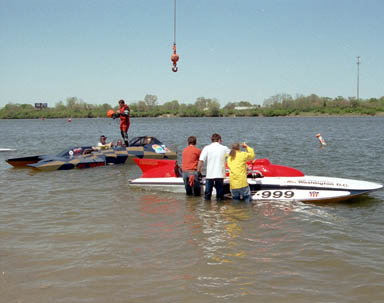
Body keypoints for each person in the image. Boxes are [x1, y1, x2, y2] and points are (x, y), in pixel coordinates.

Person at [197, 133, 230, 201]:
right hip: (220, 174)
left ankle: (207, 208)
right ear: (219, 140)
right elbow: (233, 155)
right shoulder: (224, 148)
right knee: (220, 194)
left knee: (207, 194)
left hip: (210, 174)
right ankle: (219, 208)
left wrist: (199, 171)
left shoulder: (207, 148)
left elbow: (201, 160)